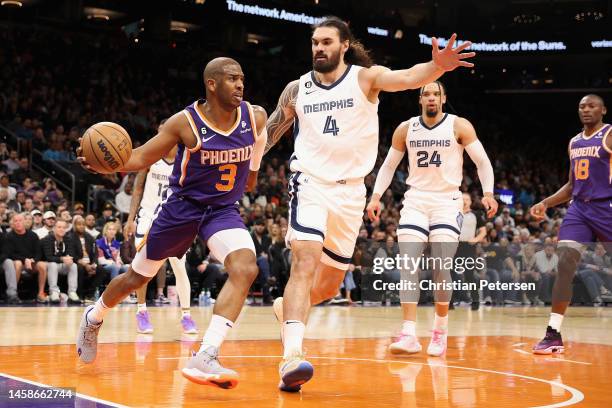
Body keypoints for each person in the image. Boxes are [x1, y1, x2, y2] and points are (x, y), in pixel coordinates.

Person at [264, 16, 475, 391]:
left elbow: (409, 76)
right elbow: (271, 133)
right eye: (315, 42)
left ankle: (287, 310)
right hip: (310, 182)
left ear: (344, 45)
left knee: (327, 287)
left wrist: (436, 67)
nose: (319, 48)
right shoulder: (297, 90)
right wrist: (245, 161)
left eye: (327, 42)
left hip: (350, 194)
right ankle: (292, 355)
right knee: (304, 260)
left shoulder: (365, 78)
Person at [76, 57, 267, 391]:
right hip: (182, 209)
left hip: (222, 210)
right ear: (212, 84)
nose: (240, 85)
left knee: (246, 268)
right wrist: (106, 165)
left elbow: (262, 135)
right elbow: (139, 158)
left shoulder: (255, 115)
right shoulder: (185, 123)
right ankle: (95, 316)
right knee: (137, 276)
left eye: (242, 79)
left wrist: (252, 171)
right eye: (232, 79)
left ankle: (206, 353)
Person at [366, 81, 497, 357]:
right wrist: (376, 196)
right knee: (408, 265)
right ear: (420, 99)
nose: (431, 98)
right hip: (416, 200)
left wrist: (488, 193)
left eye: (436, 94)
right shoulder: (406, 129)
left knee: (440, 268)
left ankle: (440, 331)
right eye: (426, 94)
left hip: (447, 202)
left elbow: (482, 162)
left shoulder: (459, 126)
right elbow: (389, 165)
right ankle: (409, 333)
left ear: (443, 98)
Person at [530, 94, 611, 354]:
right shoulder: (574, 142)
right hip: (579, 209)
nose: (586, 110)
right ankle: (553, 333)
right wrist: (545, 203)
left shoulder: (609, 135)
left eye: (592, 106)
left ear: (603, 110)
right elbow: (571, 185)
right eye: (582, 106)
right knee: (564, 263)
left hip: (606, 206)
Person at [124, 119, 198, 334]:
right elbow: (137, 190)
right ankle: (141, 311)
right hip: (147, 216)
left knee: (179, 266)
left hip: (173, 217)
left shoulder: (185, 160)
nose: (160, 136)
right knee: (142, 267)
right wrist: (130, 219)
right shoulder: (150, 157)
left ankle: (186, 315)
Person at [2, 212, 47, 303]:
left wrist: (32, 260)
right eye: (15, 221)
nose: (18, 223)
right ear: (12, 224)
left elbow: (38, 253)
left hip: (31, 263)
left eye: (20, 220)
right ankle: (13, 294)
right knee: (17, 264)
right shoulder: (8, 236)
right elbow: (10, 254)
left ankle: (40, 293)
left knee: (42, 265)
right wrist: (24, 260)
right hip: (18, 262)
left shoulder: (33, 235)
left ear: (24, 222)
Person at [41, 219, 80, 303]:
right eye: (59, 227)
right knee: (52, 264)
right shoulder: (47, 239)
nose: (62, 229)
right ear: (54, 228)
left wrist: (69, 258)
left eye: (64, 227)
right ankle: (54, 292)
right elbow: (48, 257)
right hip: (49, 266)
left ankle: (72, 292)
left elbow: (71, 254)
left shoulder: (68, 239)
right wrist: (62, 258)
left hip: (62, 265)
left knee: (73, 265)